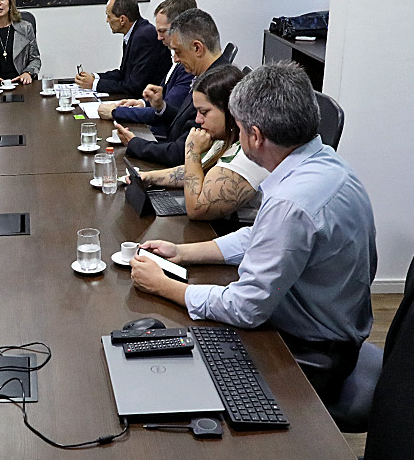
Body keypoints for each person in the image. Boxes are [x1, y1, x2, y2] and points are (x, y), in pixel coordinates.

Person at [129, 63, 377, 403]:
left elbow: (246, 308)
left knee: (165, 376)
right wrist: (183, 252)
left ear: (256, 136)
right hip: (327, 320)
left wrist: (166, 286)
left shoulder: (291, 203)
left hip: (309, 351)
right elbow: (263, 236)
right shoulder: (326, 163)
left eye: (241, 128)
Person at [138, 65, 268, 221]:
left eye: (204, 112)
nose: (198, 120)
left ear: (230, 110)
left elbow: (196, 209)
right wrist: (148, 177)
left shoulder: (248, 155)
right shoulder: (226, 139)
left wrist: (192, 151)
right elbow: (200, 170)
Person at [115, 8, 229, 167]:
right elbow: (186, 120)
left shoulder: (217, 86)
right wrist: (162, 107)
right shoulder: (210, 74)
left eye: (178, 52)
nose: (175, 60)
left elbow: (179, 153)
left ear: (197, 48)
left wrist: (134, 143)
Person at [98, 0, 198, 139]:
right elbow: (163, 104)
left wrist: (115, 112)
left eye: (162, 31)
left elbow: (167, 113)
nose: (158, 37)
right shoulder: (178, 61)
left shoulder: (189, 66)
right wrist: (142, 103)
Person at [74, 0, 172, 97]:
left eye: (109, 16)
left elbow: (134, 86)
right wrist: (94, 77)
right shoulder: (135, 32)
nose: (107, 21)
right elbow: (123, 74)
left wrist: (94, 84)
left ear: (122, 19)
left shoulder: (144, 36)